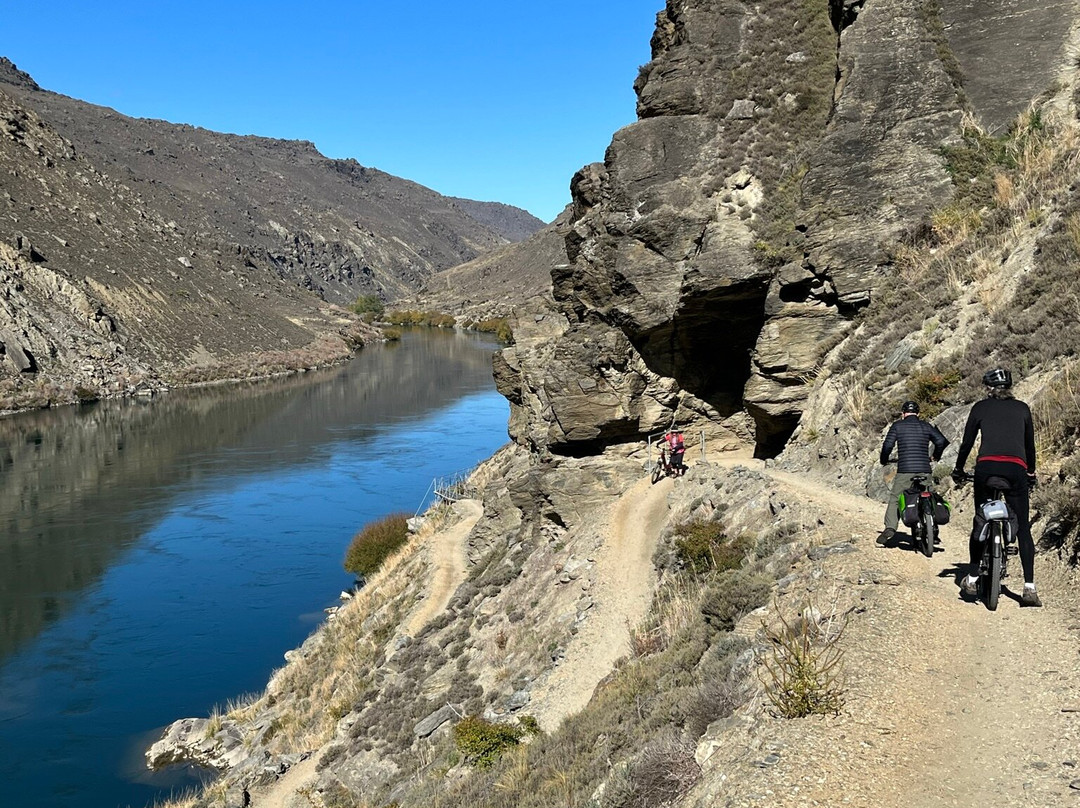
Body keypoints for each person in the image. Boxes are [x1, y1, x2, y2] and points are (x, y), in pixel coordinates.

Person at [951, 368, 1040, 606]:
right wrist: (1030, 472)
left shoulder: (980, 407)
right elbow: (1029, 445)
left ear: (989, 388)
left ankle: (971, 577)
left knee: (980, 518)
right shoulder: (1022, 408)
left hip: (987, 468)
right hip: (1016, 469)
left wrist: (958, 469)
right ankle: (1029, 587)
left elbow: (967, 442)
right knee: (1022, 527)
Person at [877, 400, 949, 546]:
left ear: (903, 413)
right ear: (918, 413)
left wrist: (883, 460)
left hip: (905, 470)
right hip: (924, 469)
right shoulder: (925, 426)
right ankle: (933, 531)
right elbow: (941, 441)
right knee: (929, 497)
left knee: (896, 498)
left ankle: (890, 528)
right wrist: (936, 456)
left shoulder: (898, 426)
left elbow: (888, 445)